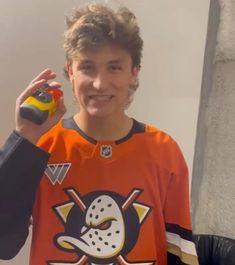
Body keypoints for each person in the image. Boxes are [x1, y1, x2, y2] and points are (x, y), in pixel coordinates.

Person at [0, 3, 198, 265]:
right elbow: (4, 245)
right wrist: (22, 139)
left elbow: (179, 252)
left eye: (114, 67)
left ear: (134, 71)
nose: (99, 83)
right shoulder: (41, 145)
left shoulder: (164, 150)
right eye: (88, 67)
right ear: (70, 71)